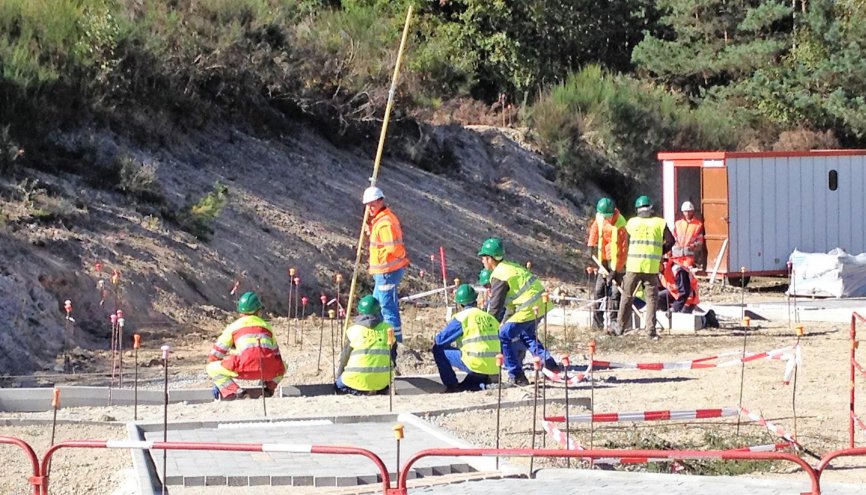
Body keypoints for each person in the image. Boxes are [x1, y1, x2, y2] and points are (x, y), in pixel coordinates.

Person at [477, 237, 558, 385]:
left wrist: (487, 328)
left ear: (490, 259)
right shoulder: (510, 266)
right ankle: (550, 364)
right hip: (541, 303)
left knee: (504, 335)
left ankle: (516, 375)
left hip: (528, 307)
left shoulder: (498, 274)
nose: (482, 261)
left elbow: (496, 307)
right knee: (527, 335)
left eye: (483, 257)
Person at [613, 196, 675, 339]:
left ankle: (620, 328)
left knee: (627, 296)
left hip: (633, 266)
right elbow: (671, 241)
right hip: (651, 268)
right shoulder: (660, 223)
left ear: (637, 209)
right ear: (651, 208)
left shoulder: (632, 223)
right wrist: (659, 251)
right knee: (652, 299)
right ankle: (650, 331)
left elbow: (624, 243)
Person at [208, 292, 285, 400]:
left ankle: (238, 392)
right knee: (284, 366)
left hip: (244, 369)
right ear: (258, 311)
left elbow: (216, 354)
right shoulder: (266, 326)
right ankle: (269, 389)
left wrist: (218, 381)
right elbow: (277, 355)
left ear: (240, 312)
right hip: (267, 370)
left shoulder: (234, 327)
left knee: (211, 368)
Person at [363, 186, 409, 364]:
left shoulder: (385, 222)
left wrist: (399, 258)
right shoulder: (380, 220)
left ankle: (395, 348)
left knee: (387, 309)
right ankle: (381, 343)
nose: (370, 208)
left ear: (380, 200)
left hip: (387, 272)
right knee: (376, 308)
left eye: (372, 204)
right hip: (383, 272)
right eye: (368, 205)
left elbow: (393, 247)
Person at [432, 284, 502, 393]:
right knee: (470, 382)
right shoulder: (489, 317)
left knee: (438, 350)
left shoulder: (462, 317)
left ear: (460, 303)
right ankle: (482, 380)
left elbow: (440, 340)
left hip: (476, 363)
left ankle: (451, 385)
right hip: (495, 365)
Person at [334, 295, 392, 395]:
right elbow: (393, 355)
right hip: (382, 383)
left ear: (360, 312)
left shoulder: (353, 331)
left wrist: (339, 376)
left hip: (355, 382)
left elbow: (344, 358)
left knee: (338, 385)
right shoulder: (388, 329)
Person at [586, 197, 628, 329]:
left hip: (618, 263)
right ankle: (597, 323)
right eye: (604, 216)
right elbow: (594, 230)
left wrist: (615, 272)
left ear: (613, 213)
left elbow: (623, 251)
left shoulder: (621, 224)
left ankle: (614, 322)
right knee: (599, 290)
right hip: (603, 260)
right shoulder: (600, 217)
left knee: (615, 293)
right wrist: (590, 245)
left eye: (608, 217)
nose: (606, 219)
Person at [658, 258, 720, 328]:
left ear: (661, 262)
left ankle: (707, 318)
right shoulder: (661, 272)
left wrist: (674, 308)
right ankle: (671, 315)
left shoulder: (677, 270)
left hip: (688, 297)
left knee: (684, 321)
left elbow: (685, 292)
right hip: (675, 295)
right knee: (658, 297)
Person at [672, 201, 705, 268]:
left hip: (689, 255)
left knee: (687, 274)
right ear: (683, 212)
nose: (687, 213)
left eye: (689, 211)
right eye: (685, 211)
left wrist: (692, 246)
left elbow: (700, 241)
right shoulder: (678, 224)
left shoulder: (698, 225)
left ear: (693, 212)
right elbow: (673, 237)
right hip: (677, 255)